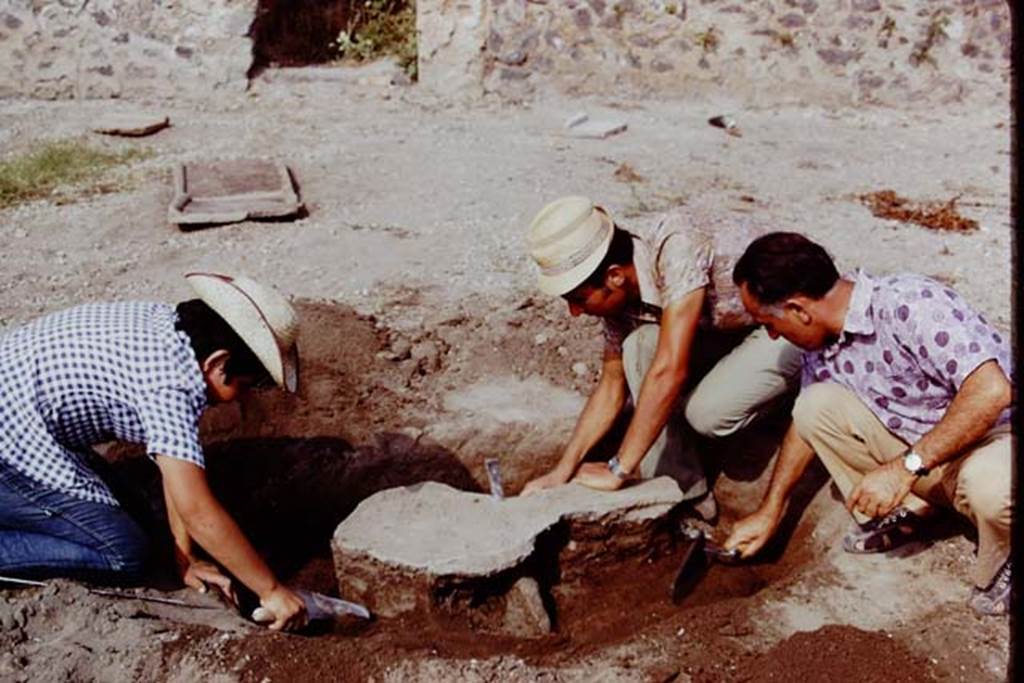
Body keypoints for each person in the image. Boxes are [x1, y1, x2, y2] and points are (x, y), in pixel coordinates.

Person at [724, 232, 1013, 616]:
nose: (773, 336)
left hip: (996, 437)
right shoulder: (823, 340)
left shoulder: (909, 304)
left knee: (992, 486)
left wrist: (904, 468)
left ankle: (1005, 555)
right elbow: (806, 424)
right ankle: (918, 507)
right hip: (930, 454)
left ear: (798, 309)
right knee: (814, 405)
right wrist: (771, 509)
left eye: (769, 323)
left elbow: (993, 392)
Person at [0, 272, 308, 630]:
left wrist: (185, 558)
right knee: (124, 552)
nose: (244, 396)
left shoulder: (171, 329)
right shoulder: (169, 385)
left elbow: (176, 468)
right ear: (217, 364)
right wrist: (271, 590)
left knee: (144, 521)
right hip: (11, 446)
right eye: (244, 384)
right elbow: (197, 511)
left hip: (25, 420)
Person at [521, 196, 803, 520]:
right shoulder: (619, 290)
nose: (574, 312)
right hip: (724, 329)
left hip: (785, 325)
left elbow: (670, 370)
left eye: (578, 299)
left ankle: (785, 402)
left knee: (707, 412)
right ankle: (681, 492)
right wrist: (562, 470)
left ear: (614, 276)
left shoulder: (676, 247)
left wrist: (618, 468)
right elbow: (612, 385)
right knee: (639, 346)